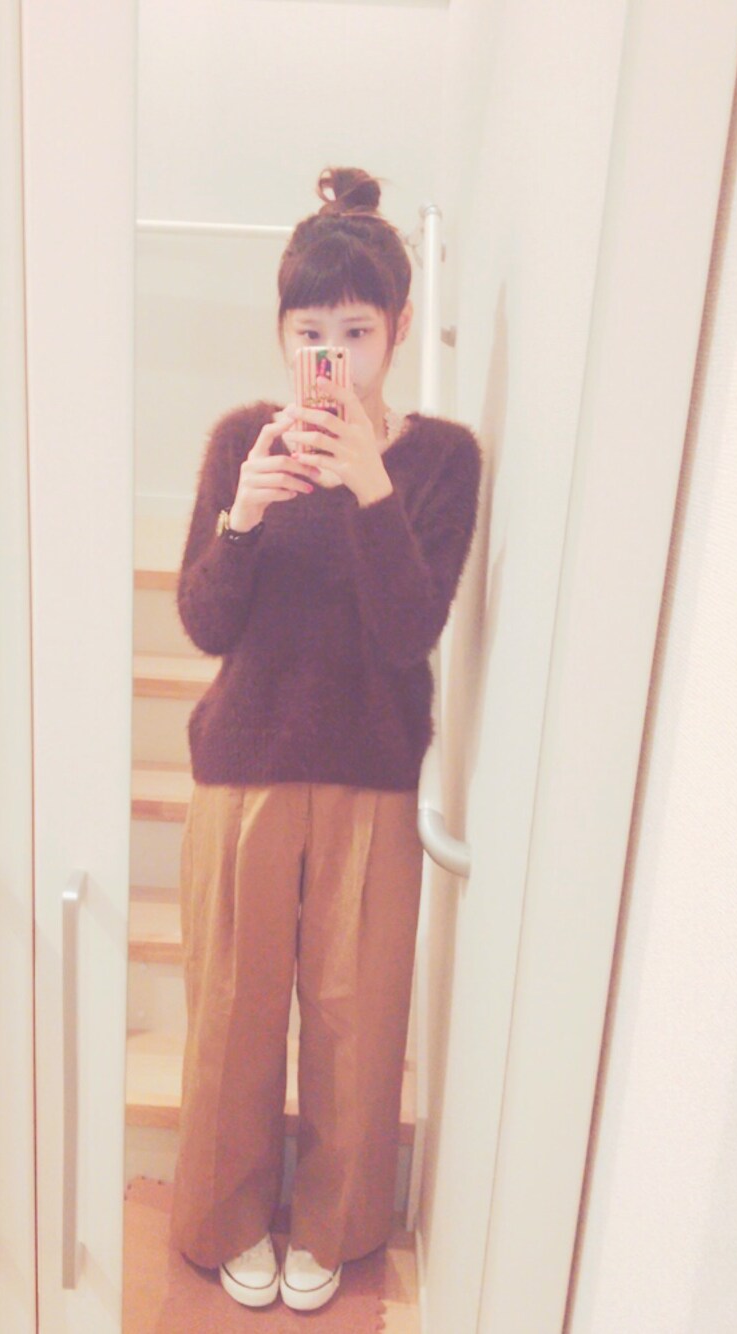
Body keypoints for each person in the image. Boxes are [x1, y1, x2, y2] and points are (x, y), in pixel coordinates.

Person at [167, 165, 483, 1312]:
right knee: (231, 1013)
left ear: (397, 327)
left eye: (357, 330)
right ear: (283, 334)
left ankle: (338, 1225)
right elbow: (205, 621)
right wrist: (246, 512)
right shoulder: (238, 442)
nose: (334, 355)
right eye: (312, 332)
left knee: (357, 1019)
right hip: (244, 771)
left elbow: (408, 630)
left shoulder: (441, 460)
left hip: (371, 776)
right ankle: (221, 1215)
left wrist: (368, 490)